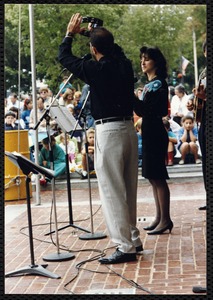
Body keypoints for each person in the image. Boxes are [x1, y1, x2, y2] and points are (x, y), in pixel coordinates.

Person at [58, 13, 142, 264]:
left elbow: (64, 57)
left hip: (109, 131)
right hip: (129, 129)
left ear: (93, 49)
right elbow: (113, 47)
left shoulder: (94, 69)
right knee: (128, 189)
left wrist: (70, 34)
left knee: (112, 191)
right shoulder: (124, 64)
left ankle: (124, 246)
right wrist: (94, 33)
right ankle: (134, 239)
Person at [134, 46, 173, 235]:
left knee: (158, 176)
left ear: (155, 62)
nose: (143, 62)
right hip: (149, 130)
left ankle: (165, 219)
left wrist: (132, 98)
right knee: (152, 177)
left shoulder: (157, 84)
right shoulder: (150, 84)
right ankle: (159, 217)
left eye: (147, 59)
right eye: (142, 58)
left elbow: (145, 110)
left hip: (155, 131)